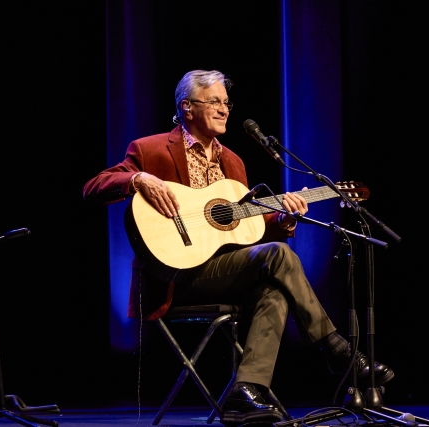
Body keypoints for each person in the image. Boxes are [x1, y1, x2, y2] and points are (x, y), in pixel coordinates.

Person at [83, 70, 394, 425]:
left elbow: (245, 232)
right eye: (214, 101)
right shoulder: (150, 149)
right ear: (187, 108)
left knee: (273, 290)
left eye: (227, 103)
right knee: (279, 258)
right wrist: (139, 178)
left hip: (223, 271)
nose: (224, 109)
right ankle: (336, 349)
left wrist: (284, 220)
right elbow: (95, 187)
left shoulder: (233, 162)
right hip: (174, 275)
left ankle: (244, 394)